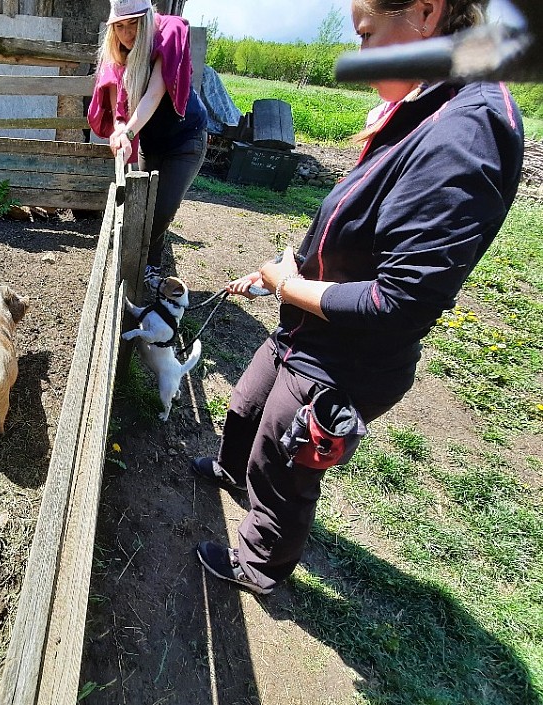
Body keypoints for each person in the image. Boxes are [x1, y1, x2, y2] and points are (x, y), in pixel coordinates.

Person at [190, 0, 524, 596]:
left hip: (346, 354)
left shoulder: (468, 131)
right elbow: (359, 222)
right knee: (245, 407)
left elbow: (401, 299)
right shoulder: (432, 100)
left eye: (366, 32)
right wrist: (291, 265)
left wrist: (291, 286)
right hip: (307, 326)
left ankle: (259, 564)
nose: (361, 53)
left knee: (284, 463)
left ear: (425, 10)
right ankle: (228, 471)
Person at [88, 0, 208, 285]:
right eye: (120, 26)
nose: (127, 33)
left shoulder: (169, 34)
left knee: (161, 210)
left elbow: (154, 93)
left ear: (147, 19)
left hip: (185, 138)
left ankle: (136, 267)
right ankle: (149, 267)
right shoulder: (117, 54)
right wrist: (120, 131)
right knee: (144, 206)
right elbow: (120, 107)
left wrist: (128, 134)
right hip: (151, 141)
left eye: (134, 24)